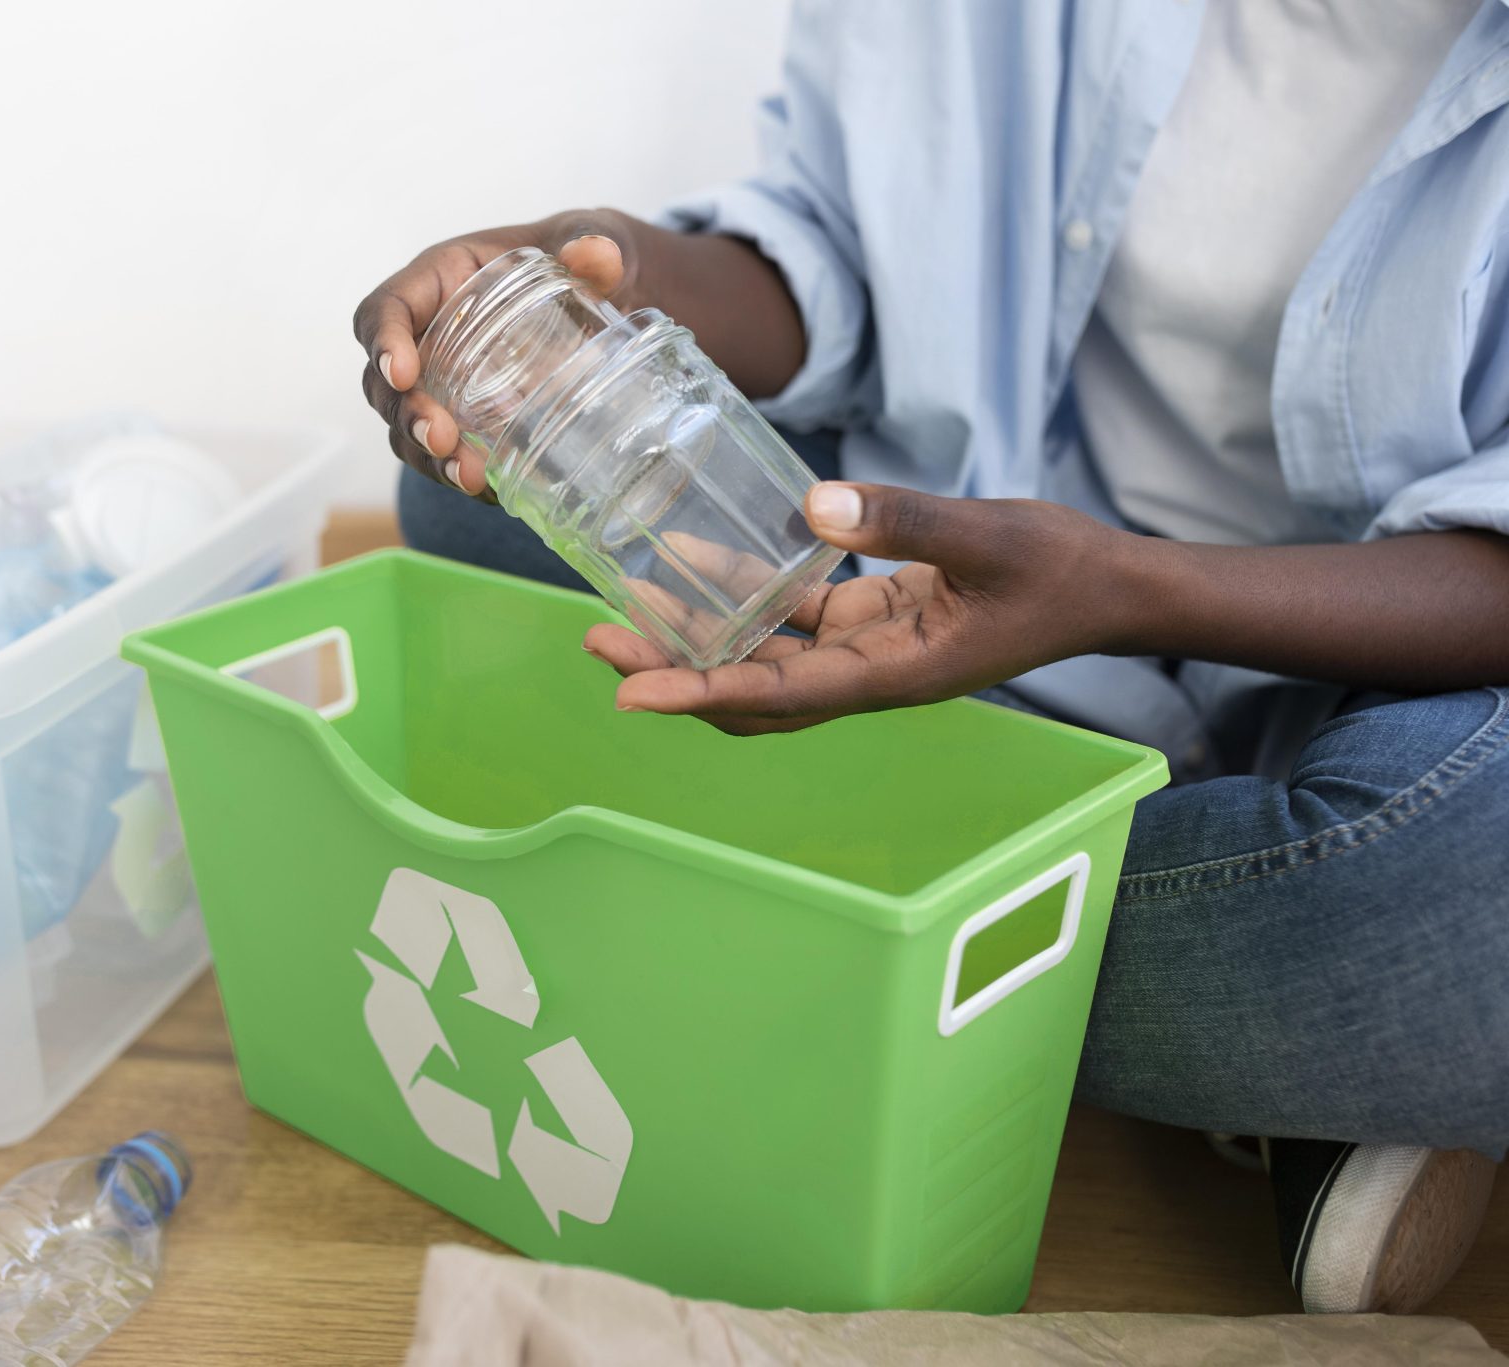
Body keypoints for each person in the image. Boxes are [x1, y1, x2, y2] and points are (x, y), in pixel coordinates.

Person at [353, 0, 1509, 1316]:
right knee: (479, 488)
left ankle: (771, 900)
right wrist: (599, 286)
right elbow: (830, 256)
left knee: (1480, 894)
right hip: (937, 582)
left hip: (1379, 667)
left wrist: (1122, 586)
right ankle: (1270, 1041)